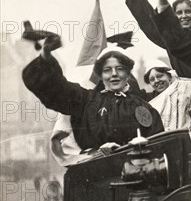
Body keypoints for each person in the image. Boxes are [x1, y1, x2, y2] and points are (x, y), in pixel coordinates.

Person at [22, 34, 164, 153]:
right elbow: (57, 88)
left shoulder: (143, 107)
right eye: (107, 70)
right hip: (94, 176)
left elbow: (159, 145)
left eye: (119, 69)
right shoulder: (85, 100)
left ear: (127, 73)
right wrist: (46, 55)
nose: (114, 74)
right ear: (100, 75)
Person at [143, 60, 191, 130]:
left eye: (160, 76)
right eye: (152, 79)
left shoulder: (185, 89)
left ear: (169, 76)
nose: (156, 81)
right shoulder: (152, 100)